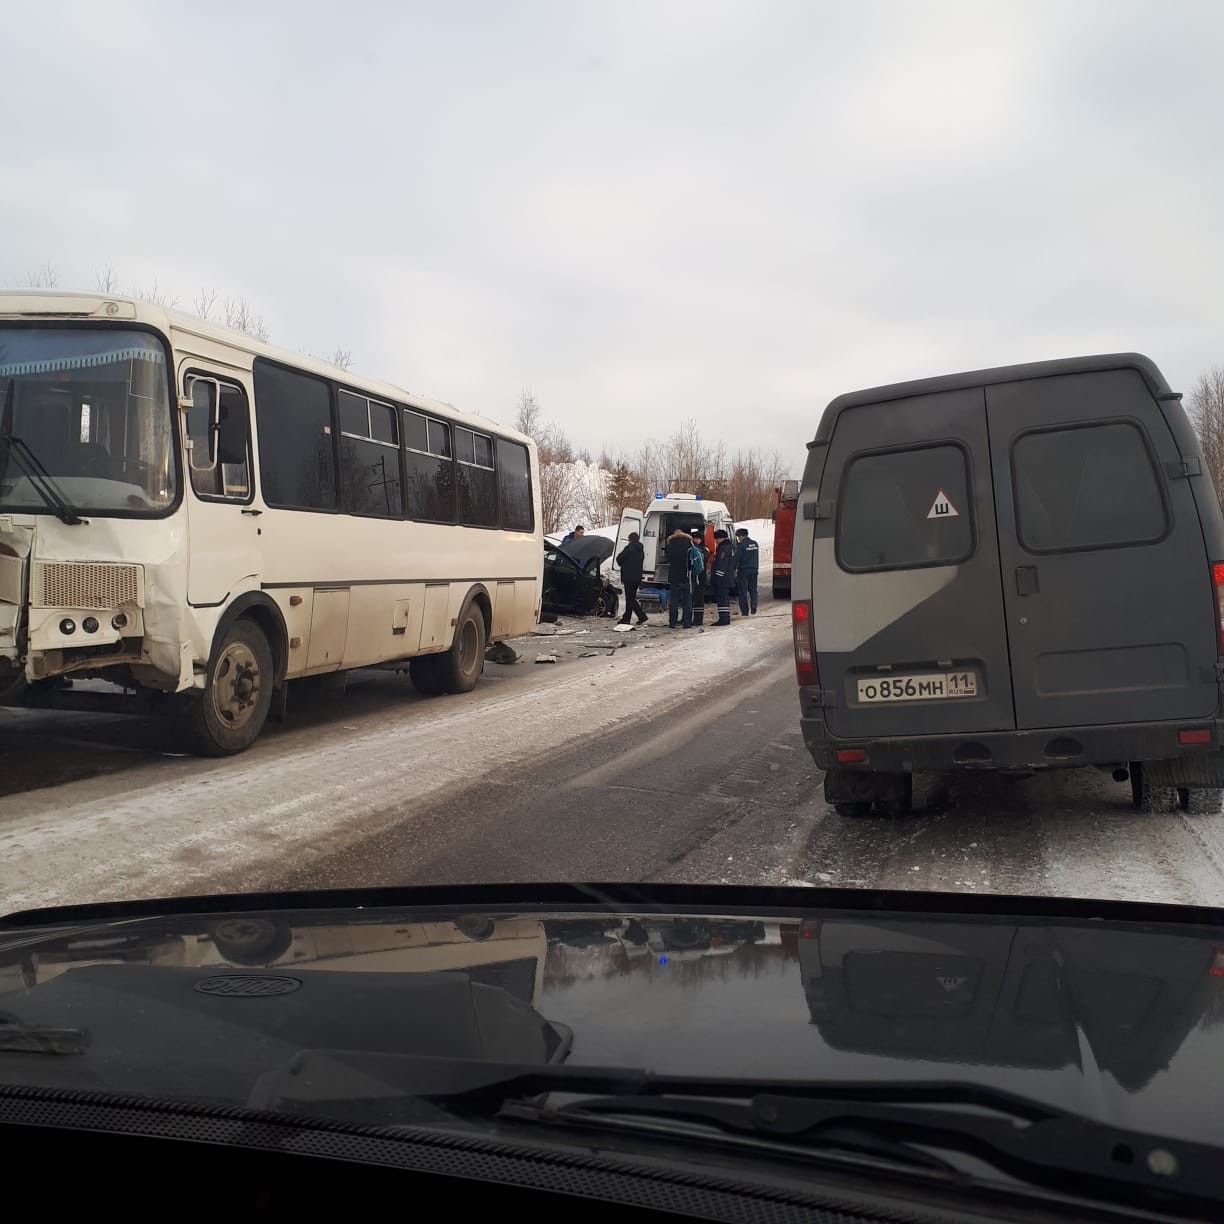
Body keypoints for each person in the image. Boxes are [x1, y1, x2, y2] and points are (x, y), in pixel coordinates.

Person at [615, 531, 647, 626]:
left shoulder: (629, 548)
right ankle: (626, 618)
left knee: (630, 599)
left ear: (630, 539)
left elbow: (619, 559)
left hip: (628, 576)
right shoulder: (641, 550)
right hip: (637, 577)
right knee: (631, 597)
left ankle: (641, 616)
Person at [664, 526, 693, 629]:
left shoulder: (670, 545)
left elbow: (667, 558)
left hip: (674, 576)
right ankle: (686, 623)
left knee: (674, 600)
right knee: (687, 601)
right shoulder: (689, 544)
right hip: (686, 576)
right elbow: (691, 560)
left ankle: (672, 622)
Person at [709, 529, 734, 626]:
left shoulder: (724, 548)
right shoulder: (728, 546)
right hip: (726, 578)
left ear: (721, 538)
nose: (716, 541)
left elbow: (722, 564)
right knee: (723, 599)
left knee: (722, 599)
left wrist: (718, 578)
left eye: (717, 539)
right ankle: (724, 618)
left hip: (722, 579)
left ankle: (724, 619)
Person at [734, 527, 760, 615]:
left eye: (738, 537)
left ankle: (745, 611)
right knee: (753, 589)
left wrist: (732, 568)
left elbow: (737, 558)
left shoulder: (741, 545)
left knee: (742, 591)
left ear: (742, 536)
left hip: (743, 570)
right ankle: (754, 605)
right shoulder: (755, 543)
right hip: (754, 569)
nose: (738, 539)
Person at [688, 527, 710, 627]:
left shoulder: (704, 549)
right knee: (690, 598)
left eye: (697, 539)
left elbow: (705, 558)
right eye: (694, 539)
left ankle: (698, 619)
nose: (695, 540)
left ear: (701, 539)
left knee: (699, 598)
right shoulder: (691, 548)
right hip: (692, 577)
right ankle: (687, 617)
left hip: (700, 577)